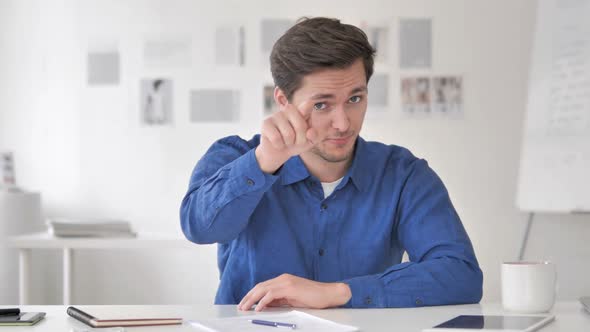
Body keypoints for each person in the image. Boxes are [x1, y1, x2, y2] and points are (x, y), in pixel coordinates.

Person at [180, 17, 482, 311]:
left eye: (354, 99)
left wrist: (338, 293)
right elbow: (197, 227)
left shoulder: (403, 175)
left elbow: (460, 274)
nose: (343, 123)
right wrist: (264, 163)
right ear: (284, 102)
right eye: (321, 104)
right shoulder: (235, 156)